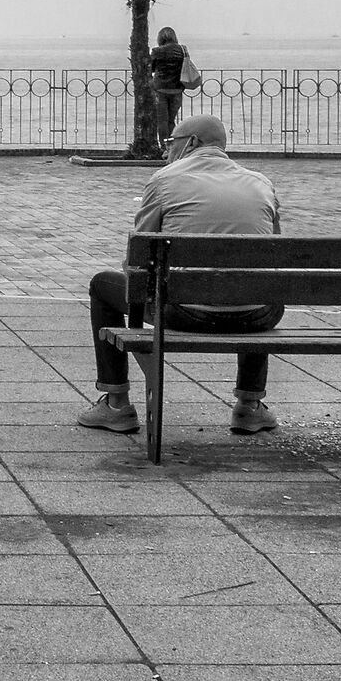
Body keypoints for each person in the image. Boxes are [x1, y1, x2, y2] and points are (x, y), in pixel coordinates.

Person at [79, 113, 283, 436]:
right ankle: (250, 405)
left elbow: (138, 262)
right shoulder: (261, 184)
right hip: (256, 314)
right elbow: (274, 258)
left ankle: (116, 402)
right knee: (252, 284)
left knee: (101, 285)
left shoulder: (164, 181)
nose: (166, 151)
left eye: (171, 142)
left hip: (187, 312)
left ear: (191, 143)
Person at [148, 26, 192, 144]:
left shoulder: (157, 51)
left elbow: (150, 68)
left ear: (160, 38)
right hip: (177, 89)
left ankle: (164, 146)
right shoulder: (182, 50)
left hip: (160, 90)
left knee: (162, 121)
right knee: (171, 120)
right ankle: (172, 145)